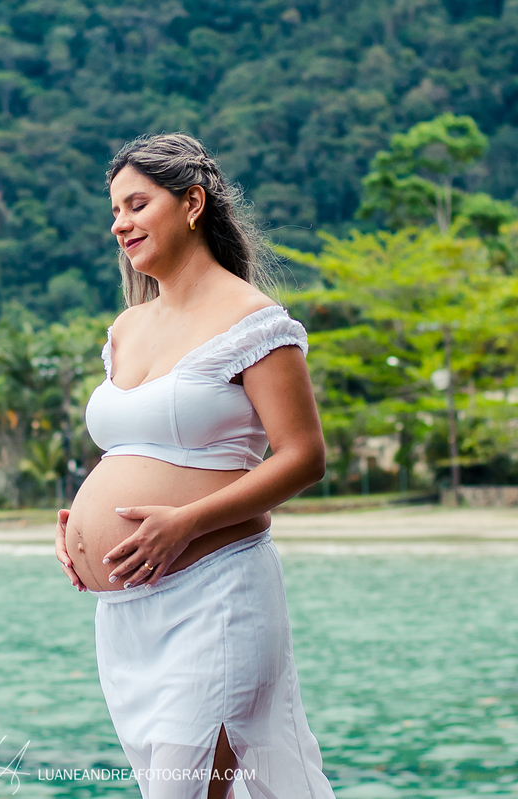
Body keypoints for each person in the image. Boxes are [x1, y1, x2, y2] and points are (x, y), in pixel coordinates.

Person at [54, 133, 337, 799]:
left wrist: (184, 522)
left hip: (216, 597)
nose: (120, 223)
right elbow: (132, 449)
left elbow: (304, 457)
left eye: (136, 204)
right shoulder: (127, 327)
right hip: (126, 620)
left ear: (192, 203)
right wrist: (78, 525)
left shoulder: (253, 320)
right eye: (114, 211)